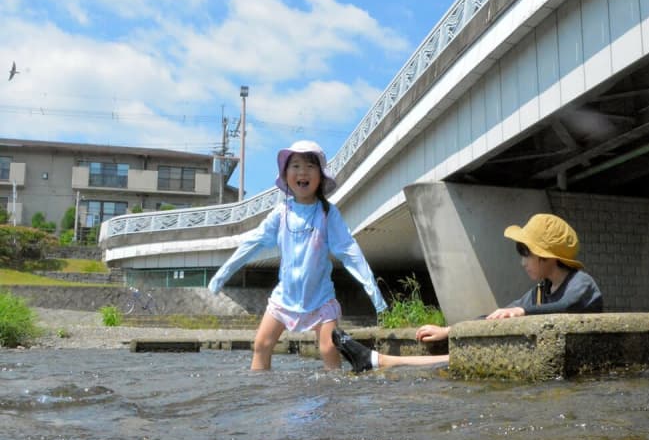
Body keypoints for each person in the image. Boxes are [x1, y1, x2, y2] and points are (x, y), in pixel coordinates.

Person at [333, 213, 602, 372]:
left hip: (574, 365)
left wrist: (522, 311)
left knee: (465, 359)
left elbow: (570, 307)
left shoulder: (582, 283)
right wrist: (449, 330)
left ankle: (378, 361)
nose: (522, 261)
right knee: (466, 354)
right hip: (536, 359)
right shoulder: (540, 292)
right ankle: (376, 360)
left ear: (547, 256)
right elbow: (495, 317)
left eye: (525, 252)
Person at [208, 140, 387, 371]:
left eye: (310, 166)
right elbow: (252, 243)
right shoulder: (281, 213)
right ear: (286, 175)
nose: (302, 172)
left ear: (320, 177)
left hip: (320, 299)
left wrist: (374, 293)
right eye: (295, 166)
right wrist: (222, 275)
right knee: (262, 344)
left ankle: (335, 395)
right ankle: (260, 392)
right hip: (284, 299)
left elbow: (350, 251)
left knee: (328, 347)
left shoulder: (327, 213)